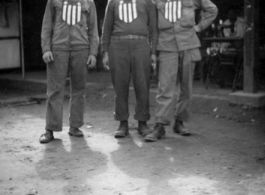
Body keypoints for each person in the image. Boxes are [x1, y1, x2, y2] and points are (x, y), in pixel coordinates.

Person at [144, 0, 218, 142]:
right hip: (166, 45)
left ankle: (180, 122)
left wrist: (199, 27)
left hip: (189, 44)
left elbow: (212, 9)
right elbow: (150, 22)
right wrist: (152, 48)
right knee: (165, 87)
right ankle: (160, 125)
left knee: (186, 88)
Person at [39, 0, 99, 144]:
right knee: (55, 89)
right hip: (58, 48)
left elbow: (93, 28)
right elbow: (46, 26)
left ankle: (75, 126)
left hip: (81, 48)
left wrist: (93, 53)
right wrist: (46, 49)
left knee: (79, 89)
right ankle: (50, 129)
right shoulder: (53, 1)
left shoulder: (89, 2)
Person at [101, 0, 158, 138]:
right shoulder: (113, 2)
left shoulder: (147, 1)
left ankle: (142, 122)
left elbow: (154, 28)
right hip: (118, 45)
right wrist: (105, 52)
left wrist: (153, 51)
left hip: (141, 45)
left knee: (142, 84)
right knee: (120, 84)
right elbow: (107, 27)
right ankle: (122, 122)